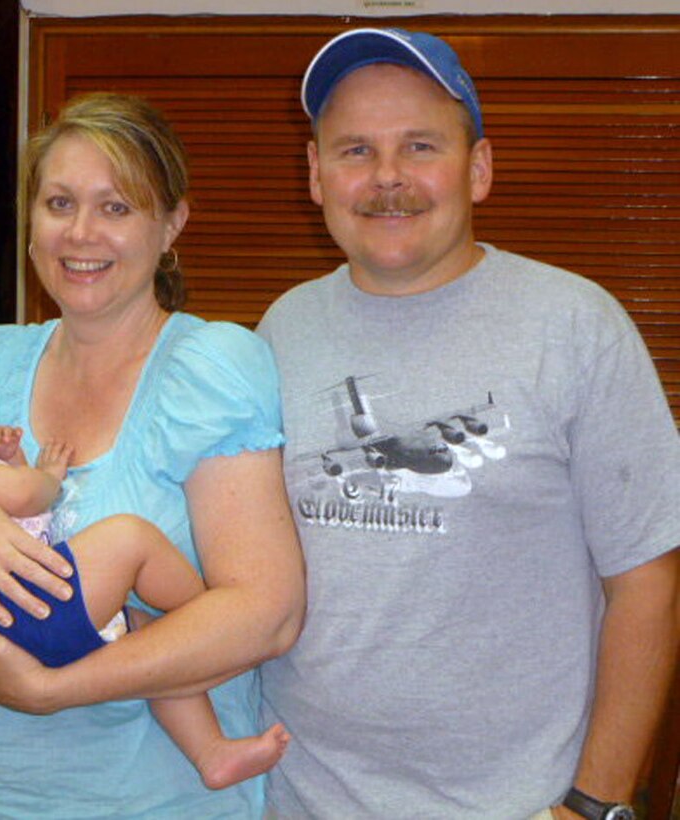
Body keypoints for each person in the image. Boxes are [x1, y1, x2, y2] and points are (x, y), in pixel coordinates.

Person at [0, 92, 306, 818]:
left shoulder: (213, 369)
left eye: (116, 208)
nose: (81, 233)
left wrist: (53, 689)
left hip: (158, 802)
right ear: (30, 224)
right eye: (58, 203)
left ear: (171, 223)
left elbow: (266, 615)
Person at [257, 26, 680, 820]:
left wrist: (595, 805)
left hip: (517, 804)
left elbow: (647, 582)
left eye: (419, 146)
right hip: (298, 798)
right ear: (313, 174)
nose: (387, 179)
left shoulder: (575, 326)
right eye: (353, 151)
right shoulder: (280, 330)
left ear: (478, 167)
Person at [0, 374, 291, 790]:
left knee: (147, 637)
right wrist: (44, 474)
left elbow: (10, 507)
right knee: (130, 538)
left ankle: (211, 753)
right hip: (18, 606)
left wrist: (9, 461)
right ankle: (206, 613)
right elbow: (25, 498)